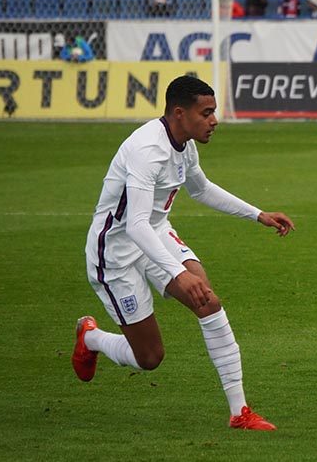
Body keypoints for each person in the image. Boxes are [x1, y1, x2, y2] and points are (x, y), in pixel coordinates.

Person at [72, 75, 295, 431]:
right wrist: (178, 274)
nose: (214, 120)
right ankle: (91, 338)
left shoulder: (184, 144)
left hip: (154, 233)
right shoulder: (148, 150)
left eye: (214, 112)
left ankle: (240, 412)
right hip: (114, 253)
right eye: (206, 113)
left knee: (207, 300)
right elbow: (135, 225)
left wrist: (258, 214)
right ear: (179, 113)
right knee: (149, 357)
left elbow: (201, 189)